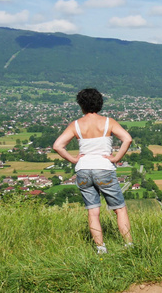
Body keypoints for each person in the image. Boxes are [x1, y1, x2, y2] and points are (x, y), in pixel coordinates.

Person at [53, 88, 133, 254]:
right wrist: (117, 158)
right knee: (119, 209)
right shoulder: (108, 122)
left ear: (81, 105)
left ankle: (100, 249)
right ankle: (129, 246)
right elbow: (127, 138)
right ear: (100, 103)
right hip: (104, 169)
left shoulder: (75, 125)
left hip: (83, 170)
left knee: (93, 211)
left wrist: (74, 159)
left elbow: (58, 146)